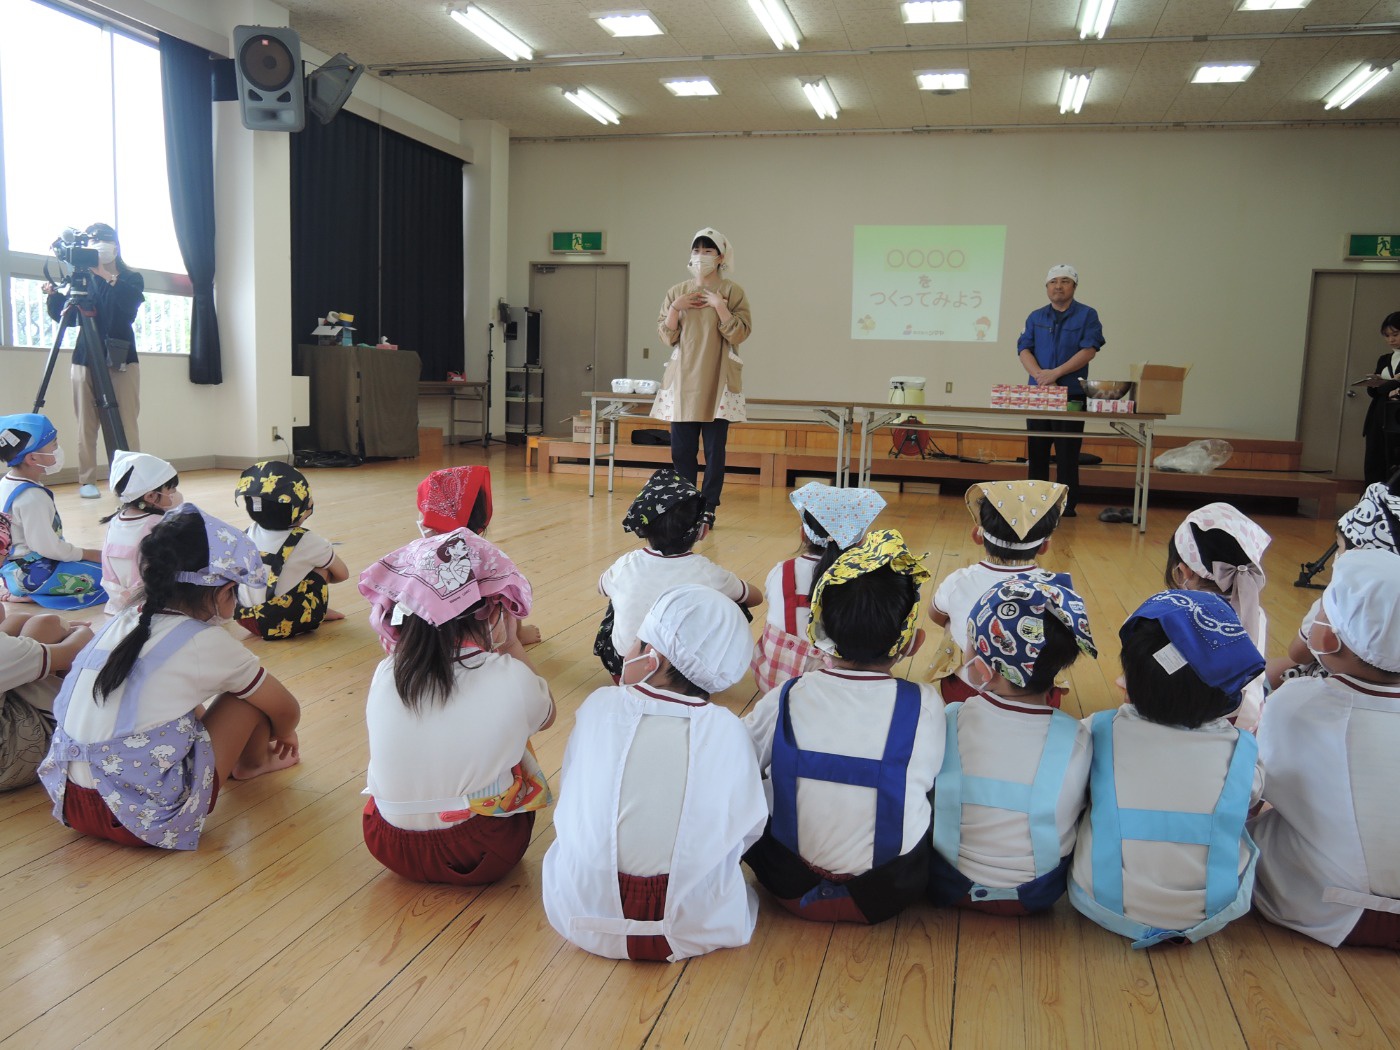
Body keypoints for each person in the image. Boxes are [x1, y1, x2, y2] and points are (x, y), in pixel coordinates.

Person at [36, 504, 301, 850]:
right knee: (246, 699)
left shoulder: (123, 621)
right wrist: (285, 732)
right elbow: (285, 706)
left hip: (70, 801)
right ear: (224, 592)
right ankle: (253, 763)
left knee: (171, 697)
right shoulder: (206, 641)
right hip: (145, 818)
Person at [543, 584, 766, 962]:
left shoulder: (599, 706)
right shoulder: (728, 729)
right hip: (694, 926)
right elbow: (748, 828)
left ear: (653, 658)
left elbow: (575, 796)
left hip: (582, 914)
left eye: (636, 640)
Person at [743, 530, 944, 925]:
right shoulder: (925, 705)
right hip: (887, 892)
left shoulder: (786, 696)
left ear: (817, 633)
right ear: (912, 643)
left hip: (785, 881)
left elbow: (737, 760)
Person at [1068, 591, 1265, 949]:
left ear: (1129, 685)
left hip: (1102, 901)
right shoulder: (1243, 751)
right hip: (1212, 911)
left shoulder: (1098, 730)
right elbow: (1249, 800)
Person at [358, 529, 554, 886]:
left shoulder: (387, 671)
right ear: (491, 615)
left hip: (387, 843)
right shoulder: (508, 675)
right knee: (519, 726)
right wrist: (511, 645)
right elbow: (548, 716)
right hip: (482, 848)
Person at [1250, 549, 1400, 949]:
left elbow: (1256, 790)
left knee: (1256, 822)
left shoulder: (1298, 703)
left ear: (1328, 637)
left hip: (1331, 907)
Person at [928, 577, 1097, 915]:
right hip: (1035, 895)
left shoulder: (951, 719)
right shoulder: (1077, 737)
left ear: (981, 668)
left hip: (945, 882)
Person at [595, 469, 760, 678]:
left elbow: (601, 587)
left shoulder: (626, 564)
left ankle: (633, 676)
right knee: (733, 604)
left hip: (627, 667)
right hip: (685, 676)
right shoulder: (707, 572)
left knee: (617, 595)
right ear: (701, 531)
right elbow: (755, 597)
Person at [925, 480, 1072, 703]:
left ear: (977, 536)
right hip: (1039, 697)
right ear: (1044, 546)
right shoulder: (1054, 587)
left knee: (950, 622)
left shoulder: (958, 581)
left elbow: (935, 615)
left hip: (966, 694)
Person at [652, 227, 752, 528]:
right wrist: (676, 308)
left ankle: (708, 508)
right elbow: (666, 336)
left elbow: (740, 333)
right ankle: (686, 506)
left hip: (717, 379)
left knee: (714, 451)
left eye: (708, 251)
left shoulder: (733, 292)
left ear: (721, 257)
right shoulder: (677, 292)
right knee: (681, 451)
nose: (700, 257)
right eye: (696, 251)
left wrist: (720, 306)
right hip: (683, 380)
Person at [750, 482, 886, 695]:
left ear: (803, 535)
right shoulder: (864, 578)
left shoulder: (782, 571)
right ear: (859, 541)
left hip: (778, 680)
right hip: (836, 686)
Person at [42, 222, 144, 500]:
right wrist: (53, 297)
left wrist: (105, 275)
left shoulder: (131, 278)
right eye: (93, 241)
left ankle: (129, 478)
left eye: (104, 239)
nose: (99, 245)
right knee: (86, 424)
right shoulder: (82, 279)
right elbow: (71, 318)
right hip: (85, 356)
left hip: (122, 358)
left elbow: (129, 309)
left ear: (116, 245)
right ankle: (87, 479)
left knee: (125, 422)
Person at [1266, 482, 1400, 688]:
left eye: (1339, 546)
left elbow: (1298, 654)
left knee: (1262, 673)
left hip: (1329, 682)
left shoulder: (1334, 602)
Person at [1163, 503, 1271, 730]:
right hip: (1244, 721)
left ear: (1184, 570)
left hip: (1182, 719)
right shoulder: (1256, 612)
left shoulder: (1176, 615)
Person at [1016, 264, 1106, 516]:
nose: (1058, 286)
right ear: (1046, 287)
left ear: (1074, 286)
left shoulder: (1087, 315)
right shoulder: (1035, 317)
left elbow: (1089, 350)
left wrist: (1055, 374)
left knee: (1067, 453)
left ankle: (1066, 506)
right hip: (1039, 394)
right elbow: (1024, 349)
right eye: (1053, 282)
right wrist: (1041, 377)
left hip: (1071, 394)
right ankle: (1035, 505)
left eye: (1065, 281)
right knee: (1037, 451)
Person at [415, 465, 541, 645]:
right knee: (510, 585)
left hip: (428, 636)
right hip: (479, 633)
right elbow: (514, 587)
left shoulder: (416, 552)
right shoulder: (485, 554)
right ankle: (515, 635)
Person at [232, 460, 348, 640]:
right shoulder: (308, 540)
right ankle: (314, 611)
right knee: (322, 568)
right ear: (300, 510)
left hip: (244, 617)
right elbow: (343, 574)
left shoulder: (248, 533)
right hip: (279, 622)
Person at [0, 413, 105, 610]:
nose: (58, 450)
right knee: (113, 576)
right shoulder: (32, 497)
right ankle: (33, 595)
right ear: (32, 458)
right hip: (33, 574)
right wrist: (88, 553)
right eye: (54, 445)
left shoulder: (6, 483)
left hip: (13, 570)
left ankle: (27, 591)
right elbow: (47, 548)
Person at [0, 604, 92, 791]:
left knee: (21, 620)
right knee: (46, 624)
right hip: (10, 760)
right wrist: (79, 630)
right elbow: (71, 651)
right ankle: (76, 734)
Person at [100, 451, 181, 617]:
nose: (175, 492)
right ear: (151, 496)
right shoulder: (157, 524)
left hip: (119, 601)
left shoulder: (116, 519)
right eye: (172, 488)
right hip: (150, 600)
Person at [1360, 311, 1400, 486]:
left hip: (1397, 415)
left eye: (1395, 334)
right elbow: (1374, 392)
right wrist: (1381, 384)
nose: (1391, 339)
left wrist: (1387, 386)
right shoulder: (1384, 359)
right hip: (1379, 413)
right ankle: (1372, 497)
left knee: (1394, 461)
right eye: (1387, 335)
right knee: (1374, 459)